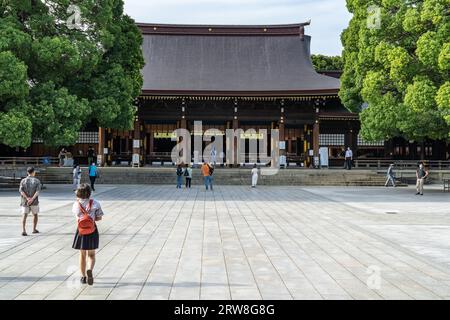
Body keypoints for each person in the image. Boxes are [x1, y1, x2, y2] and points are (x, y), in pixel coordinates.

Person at [72, 184, 104, 285]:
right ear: (89, 193)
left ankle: (83, 277)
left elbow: (76, 217)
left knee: (82, 255)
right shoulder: (95, 203)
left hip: (81, 231)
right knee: (91, 254)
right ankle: (89, 269)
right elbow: (99, 218)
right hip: (92, 230)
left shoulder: (76, 204)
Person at [19, 167, 42, 236]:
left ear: (27, 172)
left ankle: (23, 230)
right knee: (35, 214)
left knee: (24, 215)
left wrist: (27, 198)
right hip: (34, 201)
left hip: (24, 201)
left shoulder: (23, 181)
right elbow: (38, 191)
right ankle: (34, 229)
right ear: (33, 172)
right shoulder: (37, 181)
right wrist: (32, 199)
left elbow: (21, 191)